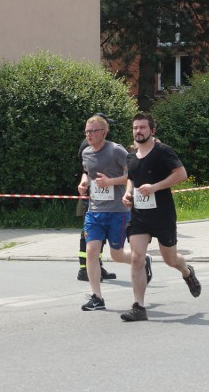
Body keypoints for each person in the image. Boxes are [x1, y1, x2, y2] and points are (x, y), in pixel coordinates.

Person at [121, 113, 201, 322]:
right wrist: (128, 193)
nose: (138, 131)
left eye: (142, 128)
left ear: (152, 130)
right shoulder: (131, 156)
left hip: (162, 215)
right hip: (139, 215)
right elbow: (131, 178)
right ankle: (139, 307)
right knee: (137, 257)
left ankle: (187, 272)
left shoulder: (163, 151)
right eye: (135, 128)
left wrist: (155, 187)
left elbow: (181, 174)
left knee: (170, 259)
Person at [77, 115, 137, 311]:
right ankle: (97, 297)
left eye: (93, 131)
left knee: (117, 255)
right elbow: (87, 170)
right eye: (87, 131)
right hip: (94, 210)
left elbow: (132, 175)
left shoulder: (116, 150)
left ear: (104, 132)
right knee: (91, 251)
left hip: (117, 211)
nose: (89, 135)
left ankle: (141, 259)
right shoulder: (86, 152)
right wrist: (84, 181)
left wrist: (110, 182)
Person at [76, 113, 117, 283]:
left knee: (99, 234)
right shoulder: (89, 146)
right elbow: (86, 170)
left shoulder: (107, 147)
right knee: (88, 233)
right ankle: (85, 268)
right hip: (93, 197)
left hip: (103, 196)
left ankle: (96, 265)